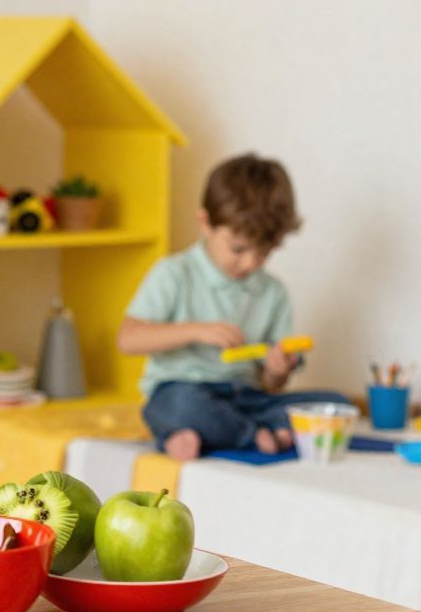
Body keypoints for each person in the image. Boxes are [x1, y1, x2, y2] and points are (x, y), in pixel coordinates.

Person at [117, 153, 349, 460]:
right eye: (238, 248)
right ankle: (253, 434)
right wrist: (197, 331)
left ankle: (204, 434)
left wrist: (278, 370)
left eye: (264, 251)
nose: (251, 262)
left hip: (247, 398)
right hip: (182, 390)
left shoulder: (272, 292)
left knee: (335, 403)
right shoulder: (174, 273)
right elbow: (128, 339)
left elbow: (271, 385)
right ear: (206, 223)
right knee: (175, 406)